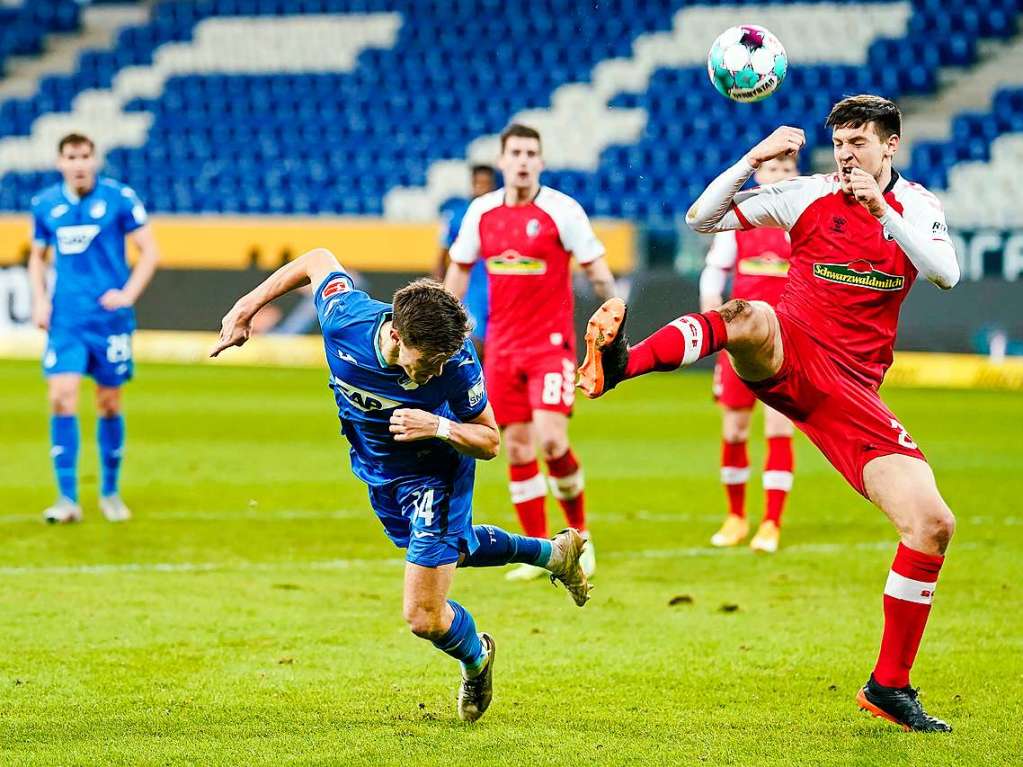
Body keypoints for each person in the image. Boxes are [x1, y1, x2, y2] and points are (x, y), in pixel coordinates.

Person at [578, 95, 959, 732]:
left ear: (890, 146)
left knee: (932, 525)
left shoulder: (917, 207)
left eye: (859, 144)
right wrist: (753, 157)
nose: (846, 156)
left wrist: (883, 209)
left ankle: (889, 687)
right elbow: (701, 219)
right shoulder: (805, 194)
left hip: (853, 394)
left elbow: (945, 272)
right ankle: (621, 365)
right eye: (838, 144)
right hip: (793, 350)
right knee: (747, 316)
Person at [211, 247, 591, 723]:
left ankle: (477, 659)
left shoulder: (457, 365)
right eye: (425, 362)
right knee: (453, 548)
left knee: (423, 616)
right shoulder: (345, 317)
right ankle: (552, 554)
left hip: (437, 472)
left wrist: (439, 427)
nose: (434, 372)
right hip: (377, 466)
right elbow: (316, 259)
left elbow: (490, 439)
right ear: (395, 334)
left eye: (439, 363)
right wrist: (246, 307)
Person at [444, 124, 616, 581]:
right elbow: (458, 272)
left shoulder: (562, 210)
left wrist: (613, 311)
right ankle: (542, 554)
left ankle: (579, 539)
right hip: (501, 349)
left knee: (552, 440)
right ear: (503, 161)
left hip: (549, 348)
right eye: (515, 152)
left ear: (540, 161)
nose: (523, 160)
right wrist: (441, 325)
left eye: (531, 153)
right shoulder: (481, 212)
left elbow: (597, 269)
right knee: (517, 449)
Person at [28, 133, 160, 524]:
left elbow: (150, 250)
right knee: (61, 397)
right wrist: (40, 298)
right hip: (66, 320)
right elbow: (37, 257)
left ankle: (109, 492)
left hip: (109, 321)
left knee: (108, 402)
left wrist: (129, 293)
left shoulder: (120, 198)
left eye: (86, 156)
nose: (80, 163)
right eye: (72, 156)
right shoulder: (45, 205)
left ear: (94, 160)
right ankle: (67, 499)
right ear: (60, 163)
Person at [700, 156, 798, 553]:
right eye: (773, 170)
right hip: (738, 342)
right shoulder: (738, 222)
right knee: (735, 430)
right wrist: (715, 328)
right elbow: (713, 275)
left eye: (788, 171)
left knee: (778, 428)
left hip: (784, 343)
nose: (779, 176)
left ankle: (771, 522)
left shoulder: (800, 224)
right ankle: (737, 517)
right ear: (759, 176)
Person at [435, 165, 498, 352]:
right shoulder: (458, 215)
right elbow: (442, 254)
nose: (482, 189)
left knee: (495, 343)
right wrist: (441, 285)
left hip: (497, 285)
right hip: (472, 287)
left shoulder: (501, 215)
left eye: (486, 184)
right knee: (474, 340)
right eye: (478, 184)